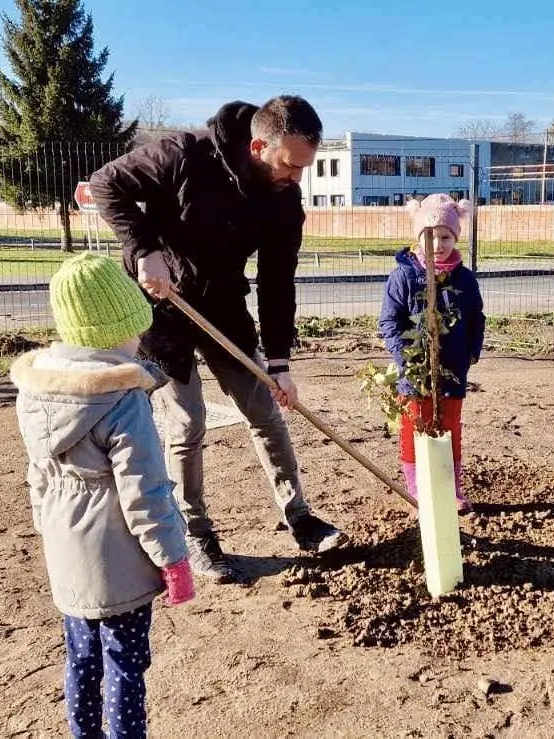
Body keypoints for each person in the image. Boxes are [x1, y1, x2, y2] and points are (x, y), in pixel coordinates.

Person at [88, 95, 344, 583]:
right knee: (187, 424)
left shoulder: (284, 200)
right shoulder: (184, 153)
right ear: (257, 146)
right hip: (163, 307)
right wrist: (144, 250)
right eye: (290, 165)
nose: (297, 178)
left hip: (224, 305)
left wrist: (280, 363)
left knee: (266, 409)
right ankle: (196, 535)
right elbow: (107, 184)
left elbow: (277, 282)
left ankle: (301, 517)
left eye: (304, 167)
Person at [9, 253, 196, 738]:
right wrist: (173, 558)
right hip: (120, 563)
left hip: (65, 550)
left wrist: (45, 528)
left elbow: (38, 475)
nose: (140, 342)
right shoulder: (123, 400)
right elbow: (146, 492)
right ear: (115, 333)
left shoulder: (36, 392)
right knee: (125, 665)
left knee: (82, 657)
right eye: (135, 331)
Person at [377, 194, 486, 511]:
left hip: (452, 368)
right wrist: (405, 358)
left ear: (455, 237)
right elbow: (389, 321)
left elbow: (476, 317)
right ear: (418, 236)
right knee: (415, 427)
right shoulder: (403, 276)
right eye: (430, 236)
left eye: (445, 236)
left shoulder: (464, 279)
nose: (437, 244)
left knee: (450, 428)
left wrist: (471, 353)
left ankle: (451, 489)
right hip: (414, 372)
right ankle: (417, 490)